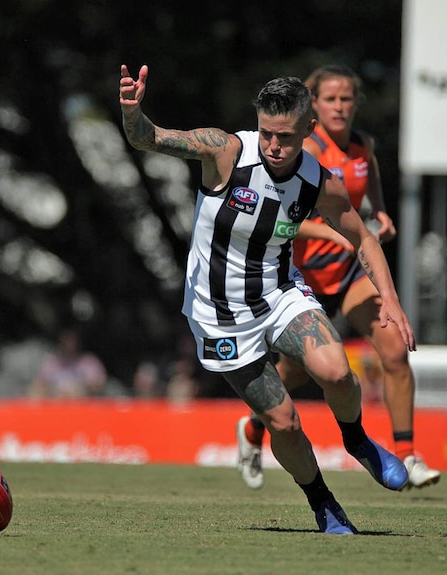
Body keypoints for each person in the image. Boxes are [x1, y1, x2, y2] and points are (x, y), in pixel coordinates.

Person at [119, 64, 416, 535]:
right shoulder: (225, 152)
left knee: (338, 373)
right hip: (218, 318)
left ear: (308, 130)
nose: (274, 146)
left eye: (287, 137)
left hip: (280, 293)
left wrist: (392, 302)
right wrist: (133, 112)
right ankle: (323, 504)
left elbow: (363, 237)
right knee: (285, 423)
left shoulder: (320, 180)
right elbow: (149, 139)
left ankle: (357, 440)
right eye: (267, 133)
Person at [235, 65, 440, 492]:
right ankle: (254, 431)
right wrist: (338, 233)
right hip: (300, 280)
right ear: (313, 105)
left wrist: (380, 214)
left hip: (347, 276)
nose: (340, 106)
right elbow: (283, 220)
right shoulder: (298, 150)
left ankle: (407, 454)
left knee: (395, 348)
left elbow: (371, 196)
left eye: (347, 98)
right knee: (292, 375)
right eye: (330, 99)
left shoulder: (363, 148)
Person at [28, 328, 107, 399]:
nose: (69, 344)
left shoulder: (89, 361)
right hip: (56, 400)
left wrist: (80, 388)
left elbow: (98, 383)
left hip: (83, 402)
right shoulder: (53, 362)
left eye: (72, 340)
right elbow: (39, 383)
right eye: (66, 340)